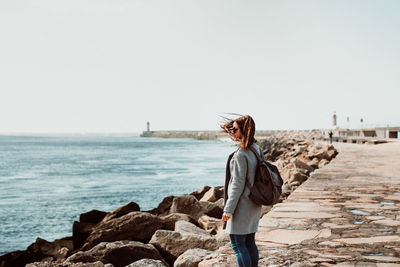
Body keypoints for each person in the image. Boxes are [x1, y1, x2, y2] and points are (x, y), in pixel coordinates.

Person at [220, 115, 262, 267]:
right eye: (230, 129)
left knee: (238, 245)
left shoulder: (240, 154)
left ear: (244, 130)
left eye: (235, 129)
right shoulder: (256, 149)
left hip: (242, 206)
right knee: (250, 242)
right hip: (255, 203)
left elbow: (237, 184)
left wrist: (228, 210)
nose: (231, 132)